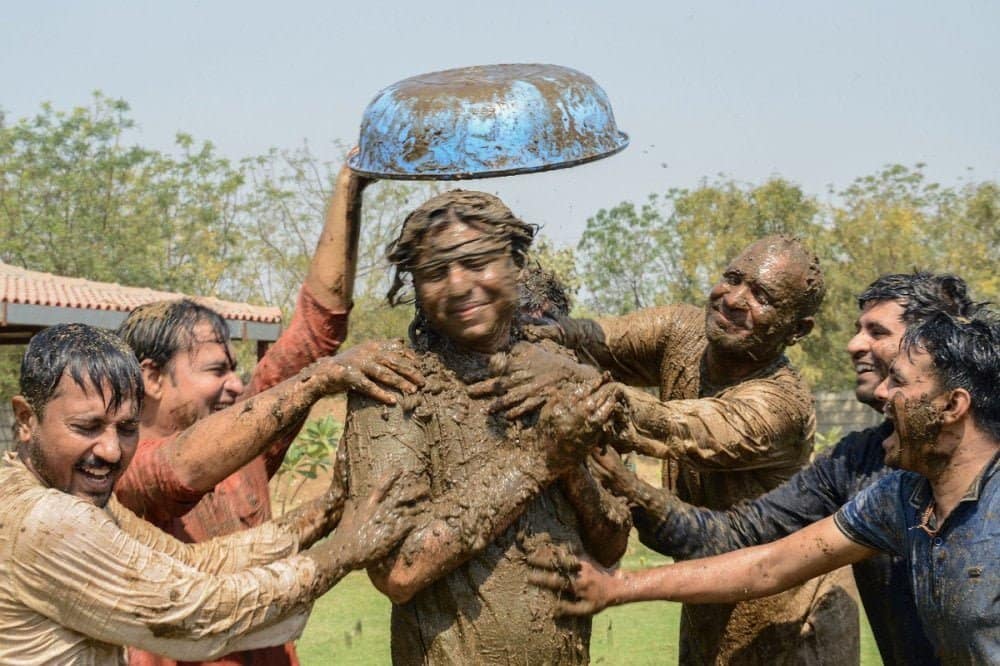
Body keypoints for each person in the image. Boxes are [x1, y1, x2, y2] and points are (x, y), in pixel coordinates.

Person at [532, 310, 1000, 665]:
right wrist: (619, 586)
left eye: (898, 381)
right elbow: (768, 565)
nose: (881, 393)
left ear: (952, 405)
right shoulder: (900, 498)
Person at [114, 161, 421, 666]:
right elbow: (178, 473)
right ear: (151, 377)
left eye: (237, 369)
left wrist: (350, 185)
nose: (236, 384)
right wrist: (319, 379)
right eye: (216, 369)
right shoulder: (114, 471)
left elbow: (315, 333)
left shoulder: (243, 447)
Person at [490, 235, 852, 663]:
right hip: (706, 589)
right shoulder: (683, 331)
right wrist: (530, 324)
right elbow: (590, 338)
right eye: (732, 278)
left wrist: (566, 378)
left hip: (788, 613)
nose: (734, 299)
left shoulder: (780, 406)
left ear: (798, 329)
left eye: (762, 296)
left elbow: (671, 426)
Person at [1, 323, 423, 664]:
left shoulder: (61, 494)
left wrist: (329, 509)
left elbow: (194, 563)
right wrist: (343, 553)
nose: (111, 451)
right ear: (25, 418)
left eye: (127, 428)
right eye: (86, 427)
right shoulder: (48, 518)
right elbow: (197, 610)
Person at [340, 190, 631, 664]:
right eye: (435, 273)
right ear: (415, 285)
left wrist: (572, 468)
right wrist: (538, 460)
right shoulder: (396, 387)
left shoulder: (566, 375)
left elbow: (613, 543)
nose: (458, 286)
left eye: (477, 263)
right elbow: (398, 571)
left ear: (517, 263)